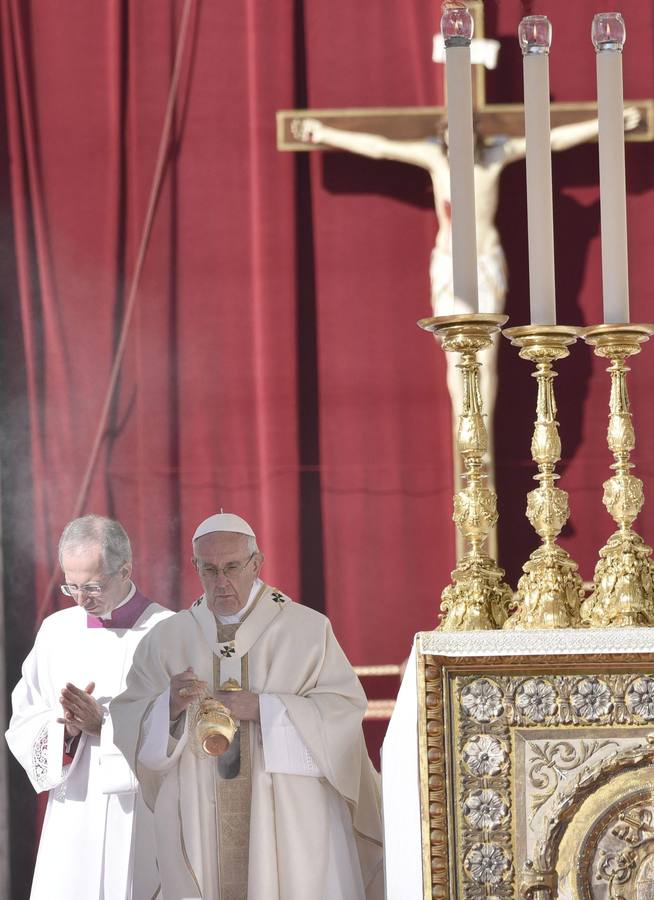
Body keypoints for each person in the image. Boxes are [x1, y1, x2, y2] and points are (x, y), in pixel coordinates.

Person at [292, 109, 641, 459]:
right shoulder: (434, 160)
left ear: (476, 135)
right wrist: (325, 133)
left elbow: (550, 141)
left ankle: (482, 439)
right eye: (450, 135)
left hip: (485, 264)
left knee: (487, 358)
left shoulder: (495, 157)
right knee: (456, 357)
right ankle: (466, 429)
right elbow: (380, 147)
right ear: (443, 136)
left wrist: (604, 123)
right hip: (449, 267)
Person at [110, 512, 384, 900]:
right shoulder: (167, 639)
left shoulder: (306, 630)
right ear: (195, 567)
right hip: (198, 819)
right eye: (209, 569)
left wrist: (264, 709)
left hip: (286, 819)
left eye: (233, 567)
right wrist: (168, 707)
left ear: (256, 563)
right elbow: (131, 719)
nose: (221, 582)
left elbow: (342, 714)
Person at [5, 515, 172, 900]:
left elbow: (180, 727)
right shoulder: (57, 630)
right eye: (72, 586)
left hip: (137, 814)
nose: (81, 599)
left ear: (125, 570)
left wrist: (106, 725)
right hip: (73, 813)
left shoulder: (168, 631)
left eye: (92, 586)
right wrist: (66, 729)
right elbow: (24, 718)